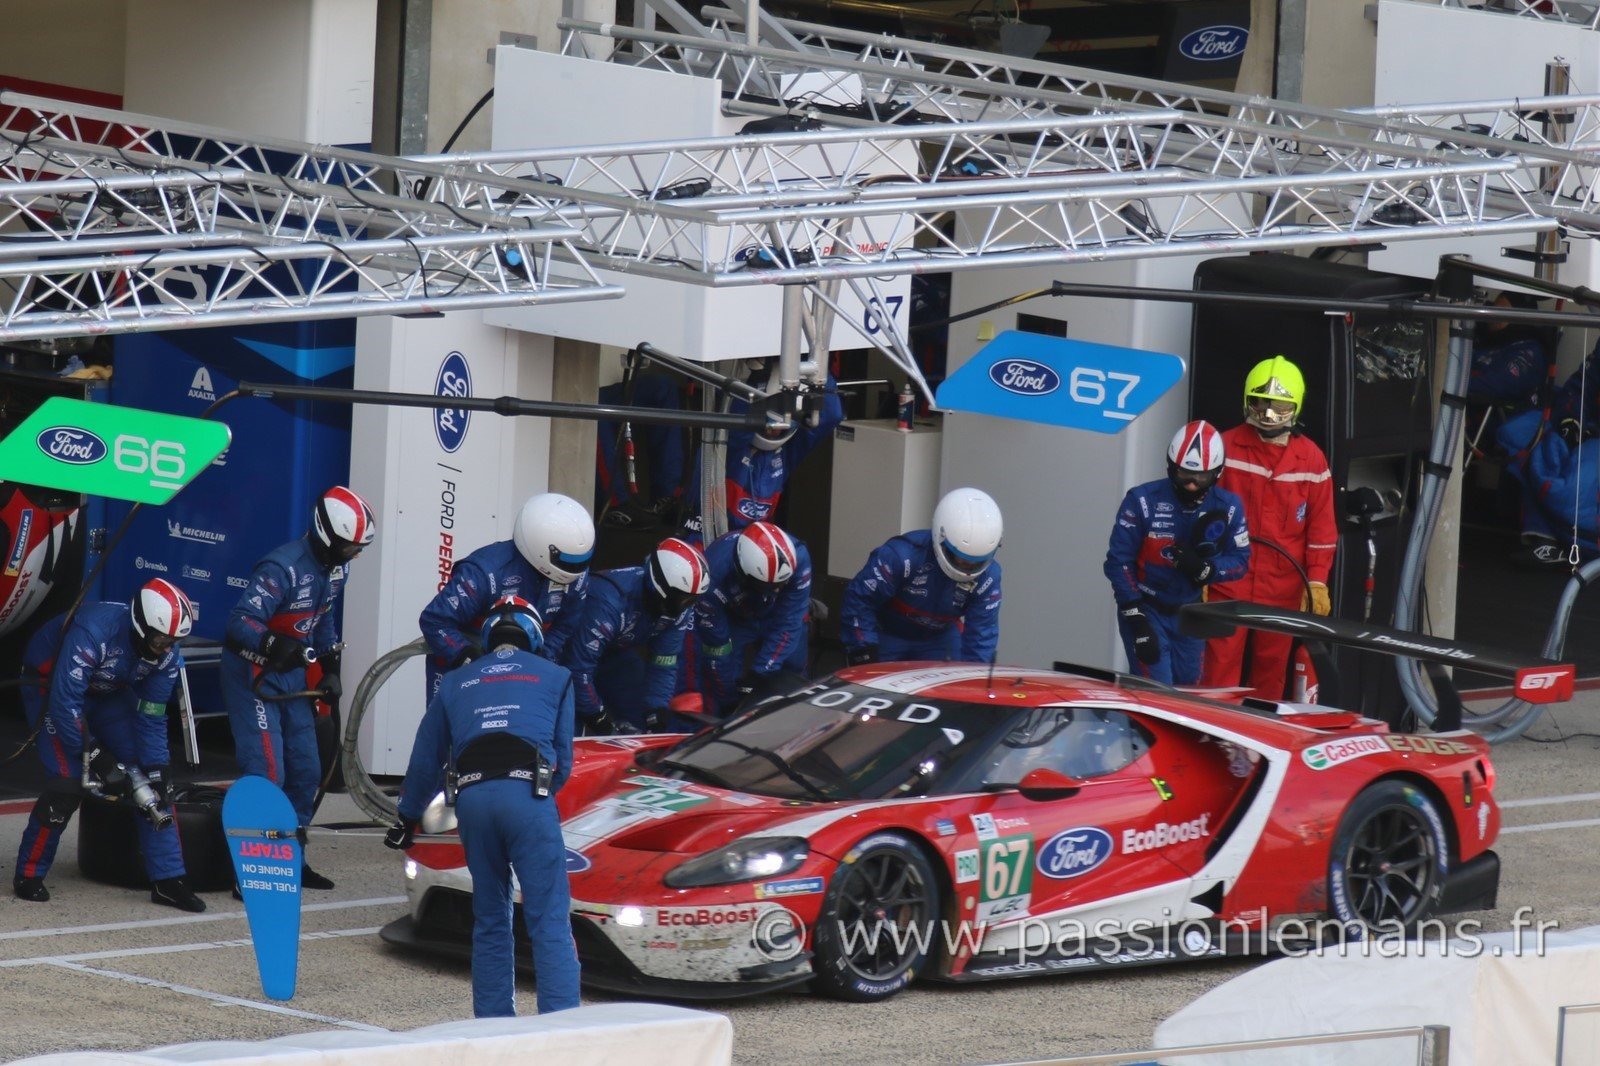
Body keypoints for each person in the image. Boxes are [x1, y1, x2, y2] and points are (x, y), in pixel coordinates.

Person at [386, 595, 580, 1018]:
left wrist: (407, 816)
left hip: (472, 800)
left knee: (491, 920)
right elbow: (563, 760)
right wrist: (540, 800)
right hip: (528, 795)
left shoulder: (456, 681)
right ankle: (563, 1028)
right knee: (548, 920)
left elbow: (426, 757)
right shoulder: (556, 675)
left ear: (488, 637)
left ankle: (493, 1028)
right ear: (534, 635)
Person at [14, 578, 204, 911]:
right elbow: (65, 705)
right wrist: (99, 757)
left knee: (154, 782)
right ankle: (28, 873)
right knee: (68, 783)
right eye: (161, 641)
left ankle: (169, 879)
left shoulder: (167, 656)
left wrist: (158, 768)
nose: (167, 649)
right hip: (49, 687)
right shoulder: (92, 633)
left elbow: (152, 716)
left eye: (174, 642)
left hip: (107, 691)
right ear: (140, 628)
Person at [222, 485, 374, 890]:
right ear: (327, 535)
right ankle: (251, 869)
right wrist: (274, 644)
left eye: (359, 548)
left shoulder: (338, 569)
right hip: (253, 673)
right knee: (268, 771)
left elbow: (322, 620)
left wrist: (330, 669)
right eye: (350, 546)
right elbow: (239, 624)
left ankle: (291, 858)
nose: (355, 554)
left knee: (306, 771)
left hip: (293, 676)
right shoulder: (282, 568)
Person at [1197, 358, 1337, 699]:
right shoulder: (1224, 448)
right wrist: (1201, 569)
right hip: (1228, 580)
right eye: (1261, 403)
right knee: (1217, 672)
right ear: (1248, 400)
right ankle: (1214, 730)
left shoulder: (1312, 460)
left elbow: (1321, 530)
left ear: (1296, 406)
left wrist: (1317, 582)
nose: (1269, 413)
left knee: (1271, 676)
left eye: (1279, 406)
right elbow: (1200, 514)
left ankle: (1259, 734)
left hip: (1283, 587)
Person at [1107, 421, 1251, 686]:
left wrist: (1206, 569)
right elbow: (1118, 561)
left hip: (1190, 613)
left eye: (1201, 477)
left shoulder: (1229, 506)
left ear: (1217, 473)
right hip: (1146, 608)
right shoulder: (1141, 500)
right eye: (1185, 474)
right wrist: (1135, 615)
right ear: (1171, 466)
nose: (1192, 485)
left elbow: (1241, 560)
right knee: (1157, 690)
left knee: (1187, 692)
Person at [418, 493, 594, 700]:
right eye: (567, 561)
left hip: (522, 674)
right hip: (461, 666)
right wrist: (470, 661)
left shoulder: (577, 578)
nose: (575, 568)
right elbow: (435, 620)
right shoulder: (485, 572)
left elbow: (564, 627)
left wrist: (540, 662)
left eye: (581, 561)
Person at [840, 487, 1004, 665]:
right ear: (940, 538)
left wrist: (978, 674)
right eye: (961, 559)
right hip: (887, 632)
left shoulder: (989, 577)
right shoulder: (900, 557)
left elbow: (982, 632)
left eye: (977, 562)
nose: (968, 568)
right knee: (869, 675)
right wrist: (862, 650)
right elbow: (860, 601)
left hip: (940, 639)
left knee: (967, 676)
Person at [682, 361, 844, 536]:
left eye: (782, 423)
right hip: (708, 538)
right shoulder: (729, 445)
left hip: (754, 542)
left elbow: (831, 416)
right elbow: (741, 422)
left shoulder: (786, 454)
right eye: (771, 421)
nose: (775, 430)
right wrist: (758, 381)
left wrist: (816, 366)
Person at [566, 537, 709, 733]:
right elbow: (578, 668)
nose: (686, 606)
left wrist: (657, 708)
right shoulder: (608, 602)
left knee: (645, 718)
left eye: (691, 600)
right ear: (659, 585)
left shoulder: (678, 610)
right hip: (570, 655)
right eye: (682, 599)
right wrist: (598, 717)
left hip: (617, 655)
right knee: (572, 726)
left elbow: (664, 661)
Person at [693, 521, 812, 716]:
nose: (776, 590)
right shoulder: (711, 579)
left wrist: (761, 673)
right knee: (723, 678)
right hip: (734, 616)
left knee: (793, 671)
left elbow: (789, 622)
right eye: (769, 585)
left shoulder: (799, 558)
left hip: (778, 611)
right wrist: (730, 703)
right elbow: (716, 647)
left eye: (781, 584)